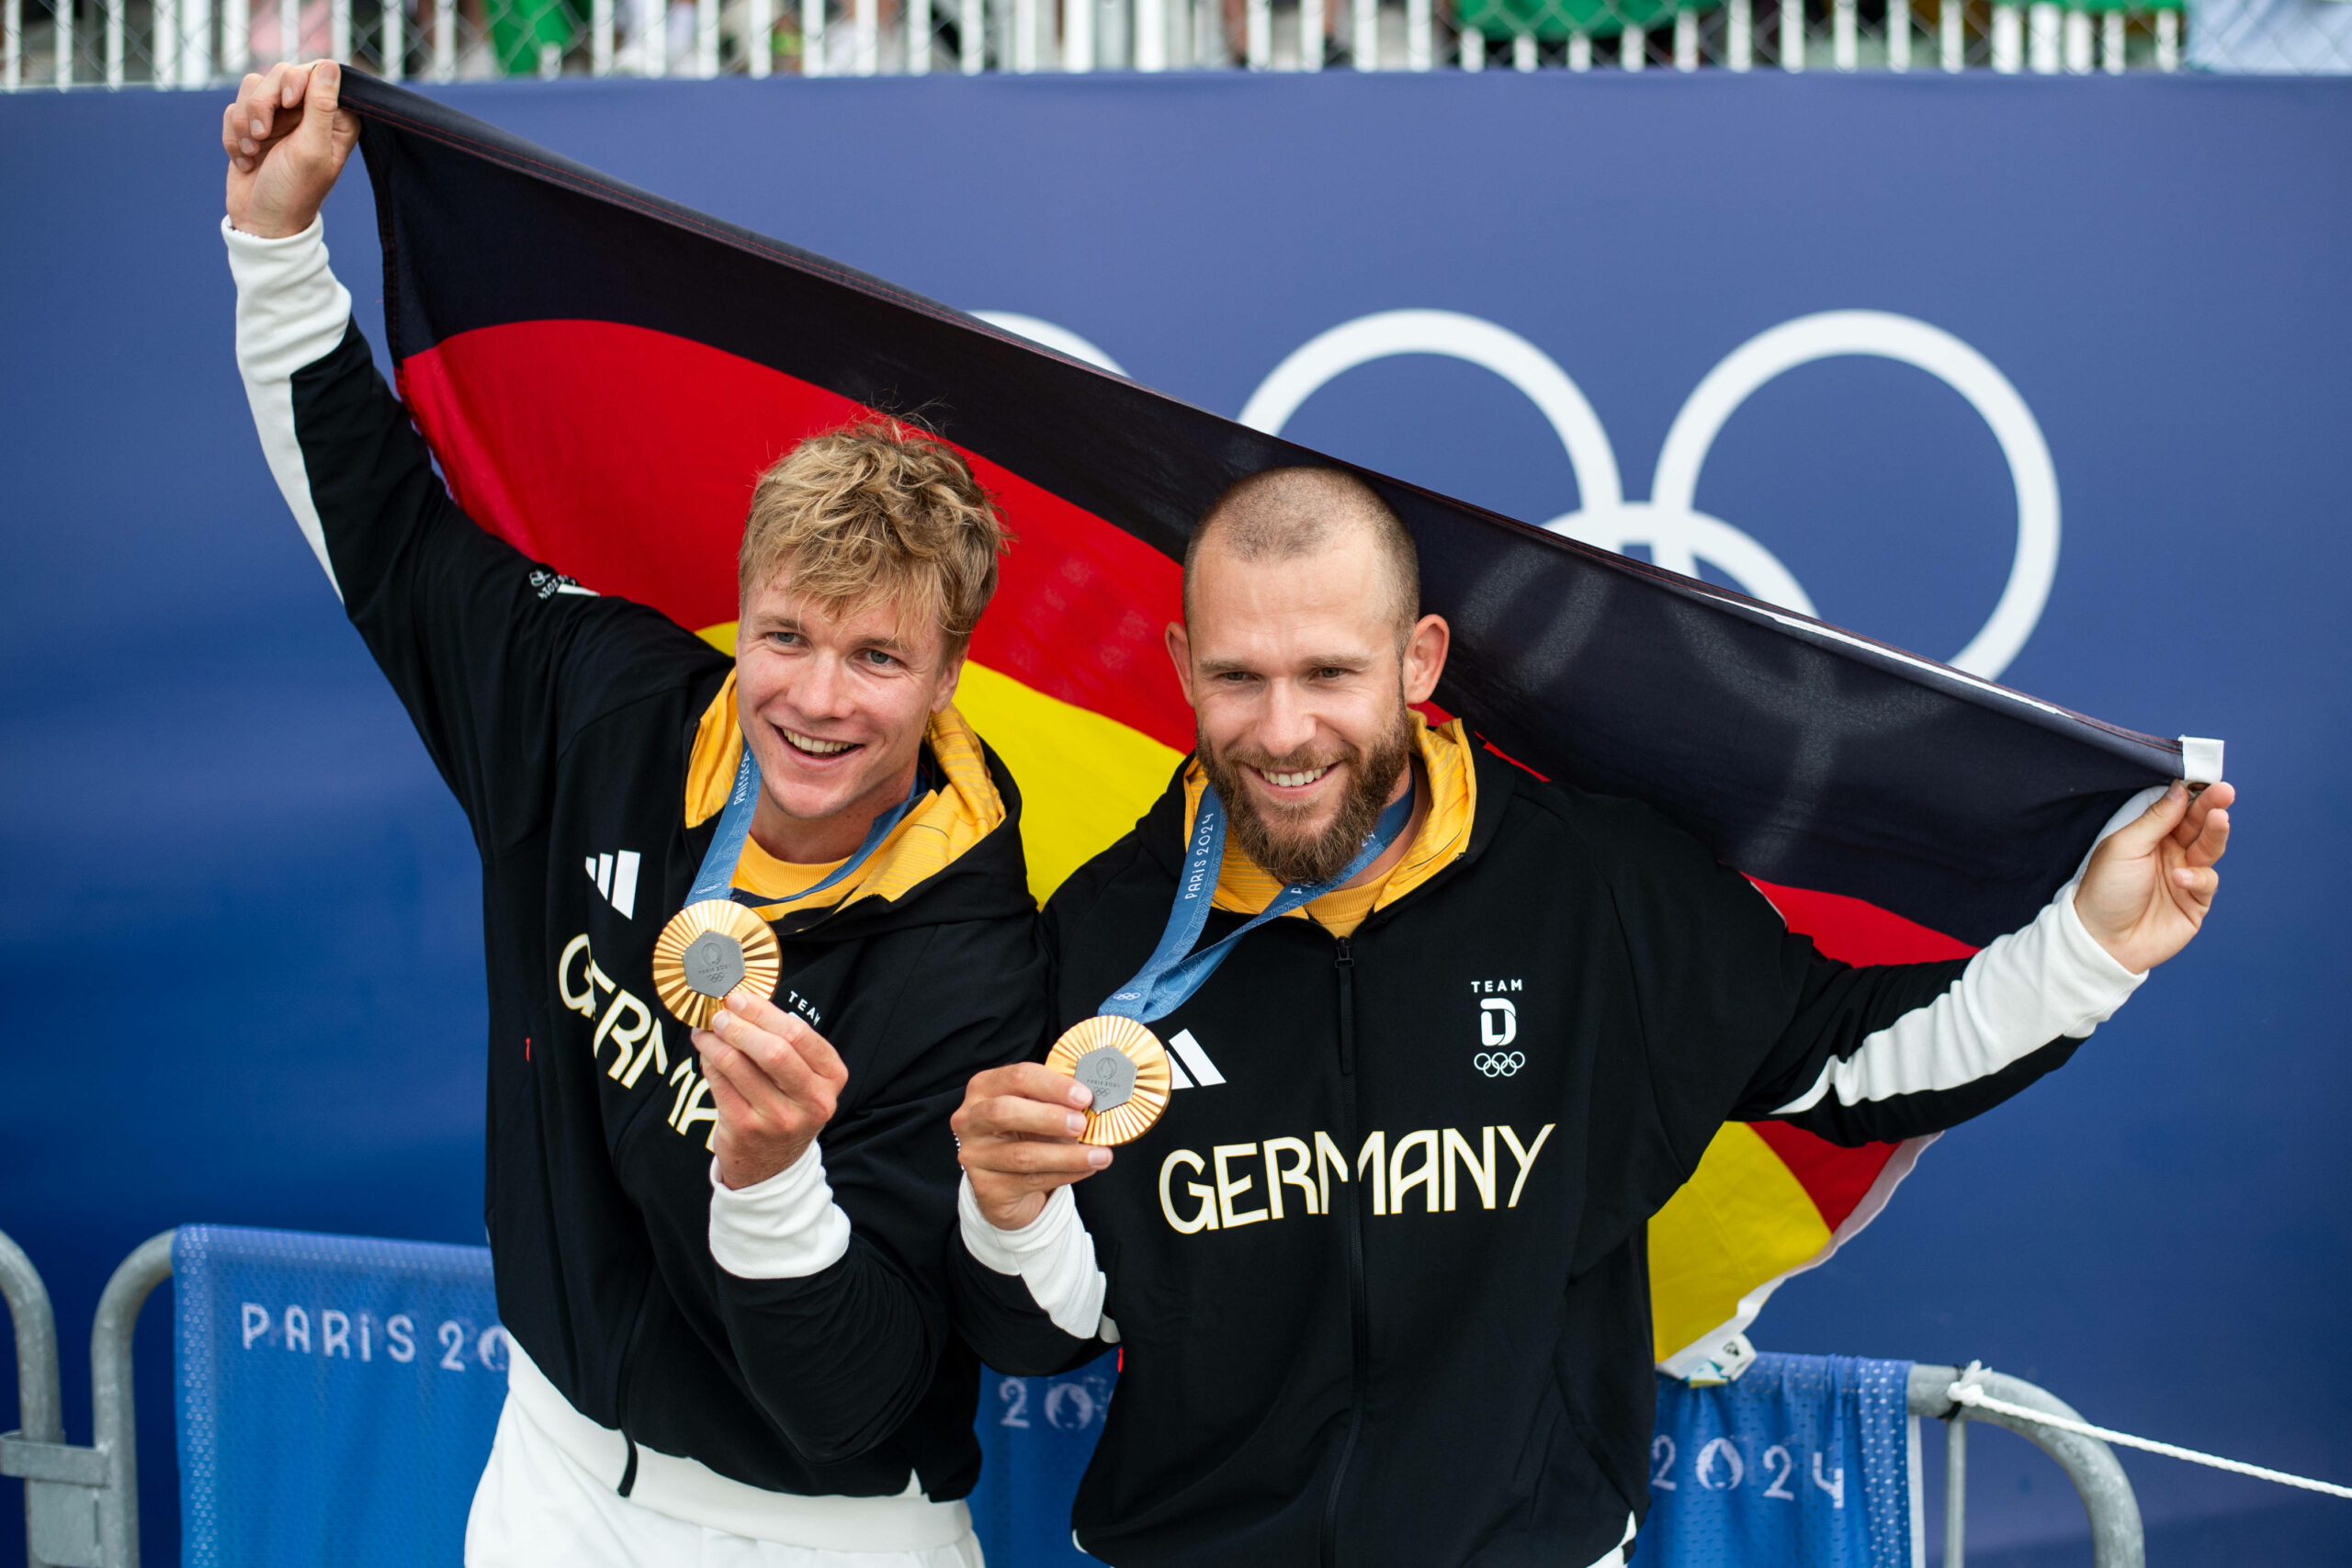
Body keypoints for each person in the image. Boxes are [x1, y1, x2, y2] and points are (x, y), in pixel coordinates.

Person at [948, 465, 2234, 1568]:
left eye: (1330, 674)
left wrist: (2090, 950)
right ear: (1182, 664)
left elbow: (1854, 1062)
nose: (1285, 734)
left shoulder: (1591, 885)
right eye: (1239, 678)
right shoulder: (1107, 926)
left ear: (1420, 660)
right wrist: (1007, 1214)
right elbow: (1055, 1329)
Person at [221, 61, 1047, 1568]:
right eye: (789, 637)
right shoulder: (606, 706)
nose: (818, 699)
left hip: (816, 1534)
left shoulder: (977, 959)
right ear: (736, 614)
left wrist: (771, 1176)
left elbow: (854, 1399)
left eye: (879, 659)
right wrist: (276, 248)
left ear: (948, 675)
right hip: (542, 1471)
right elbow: (386, 537)